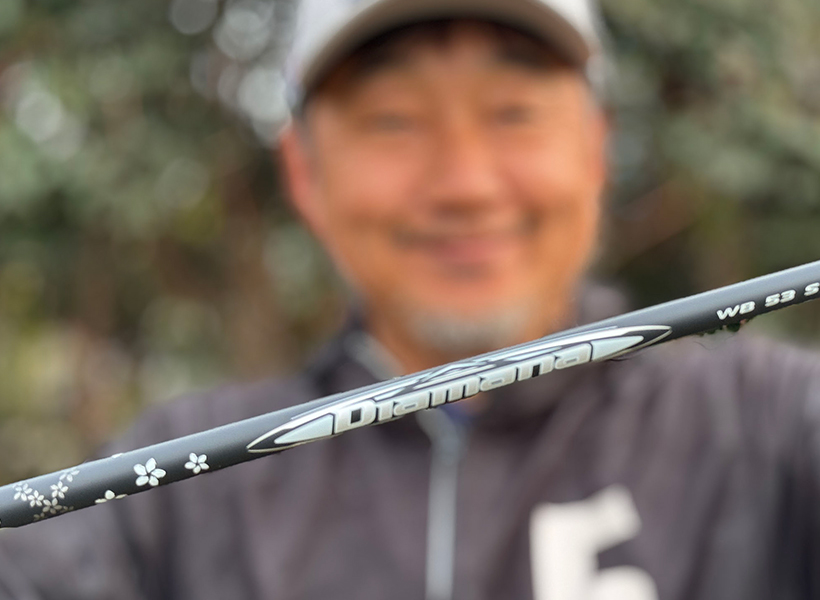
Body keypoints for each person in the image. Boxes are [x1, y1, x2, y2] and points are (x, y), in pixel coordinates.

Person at [1, 0, 819, 598]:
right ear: (304, 173)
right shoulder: (172, 493)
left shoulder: (768, 428)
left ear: (597, 147)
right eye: (394, 121)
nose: (465, 184)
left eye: (514, 113)